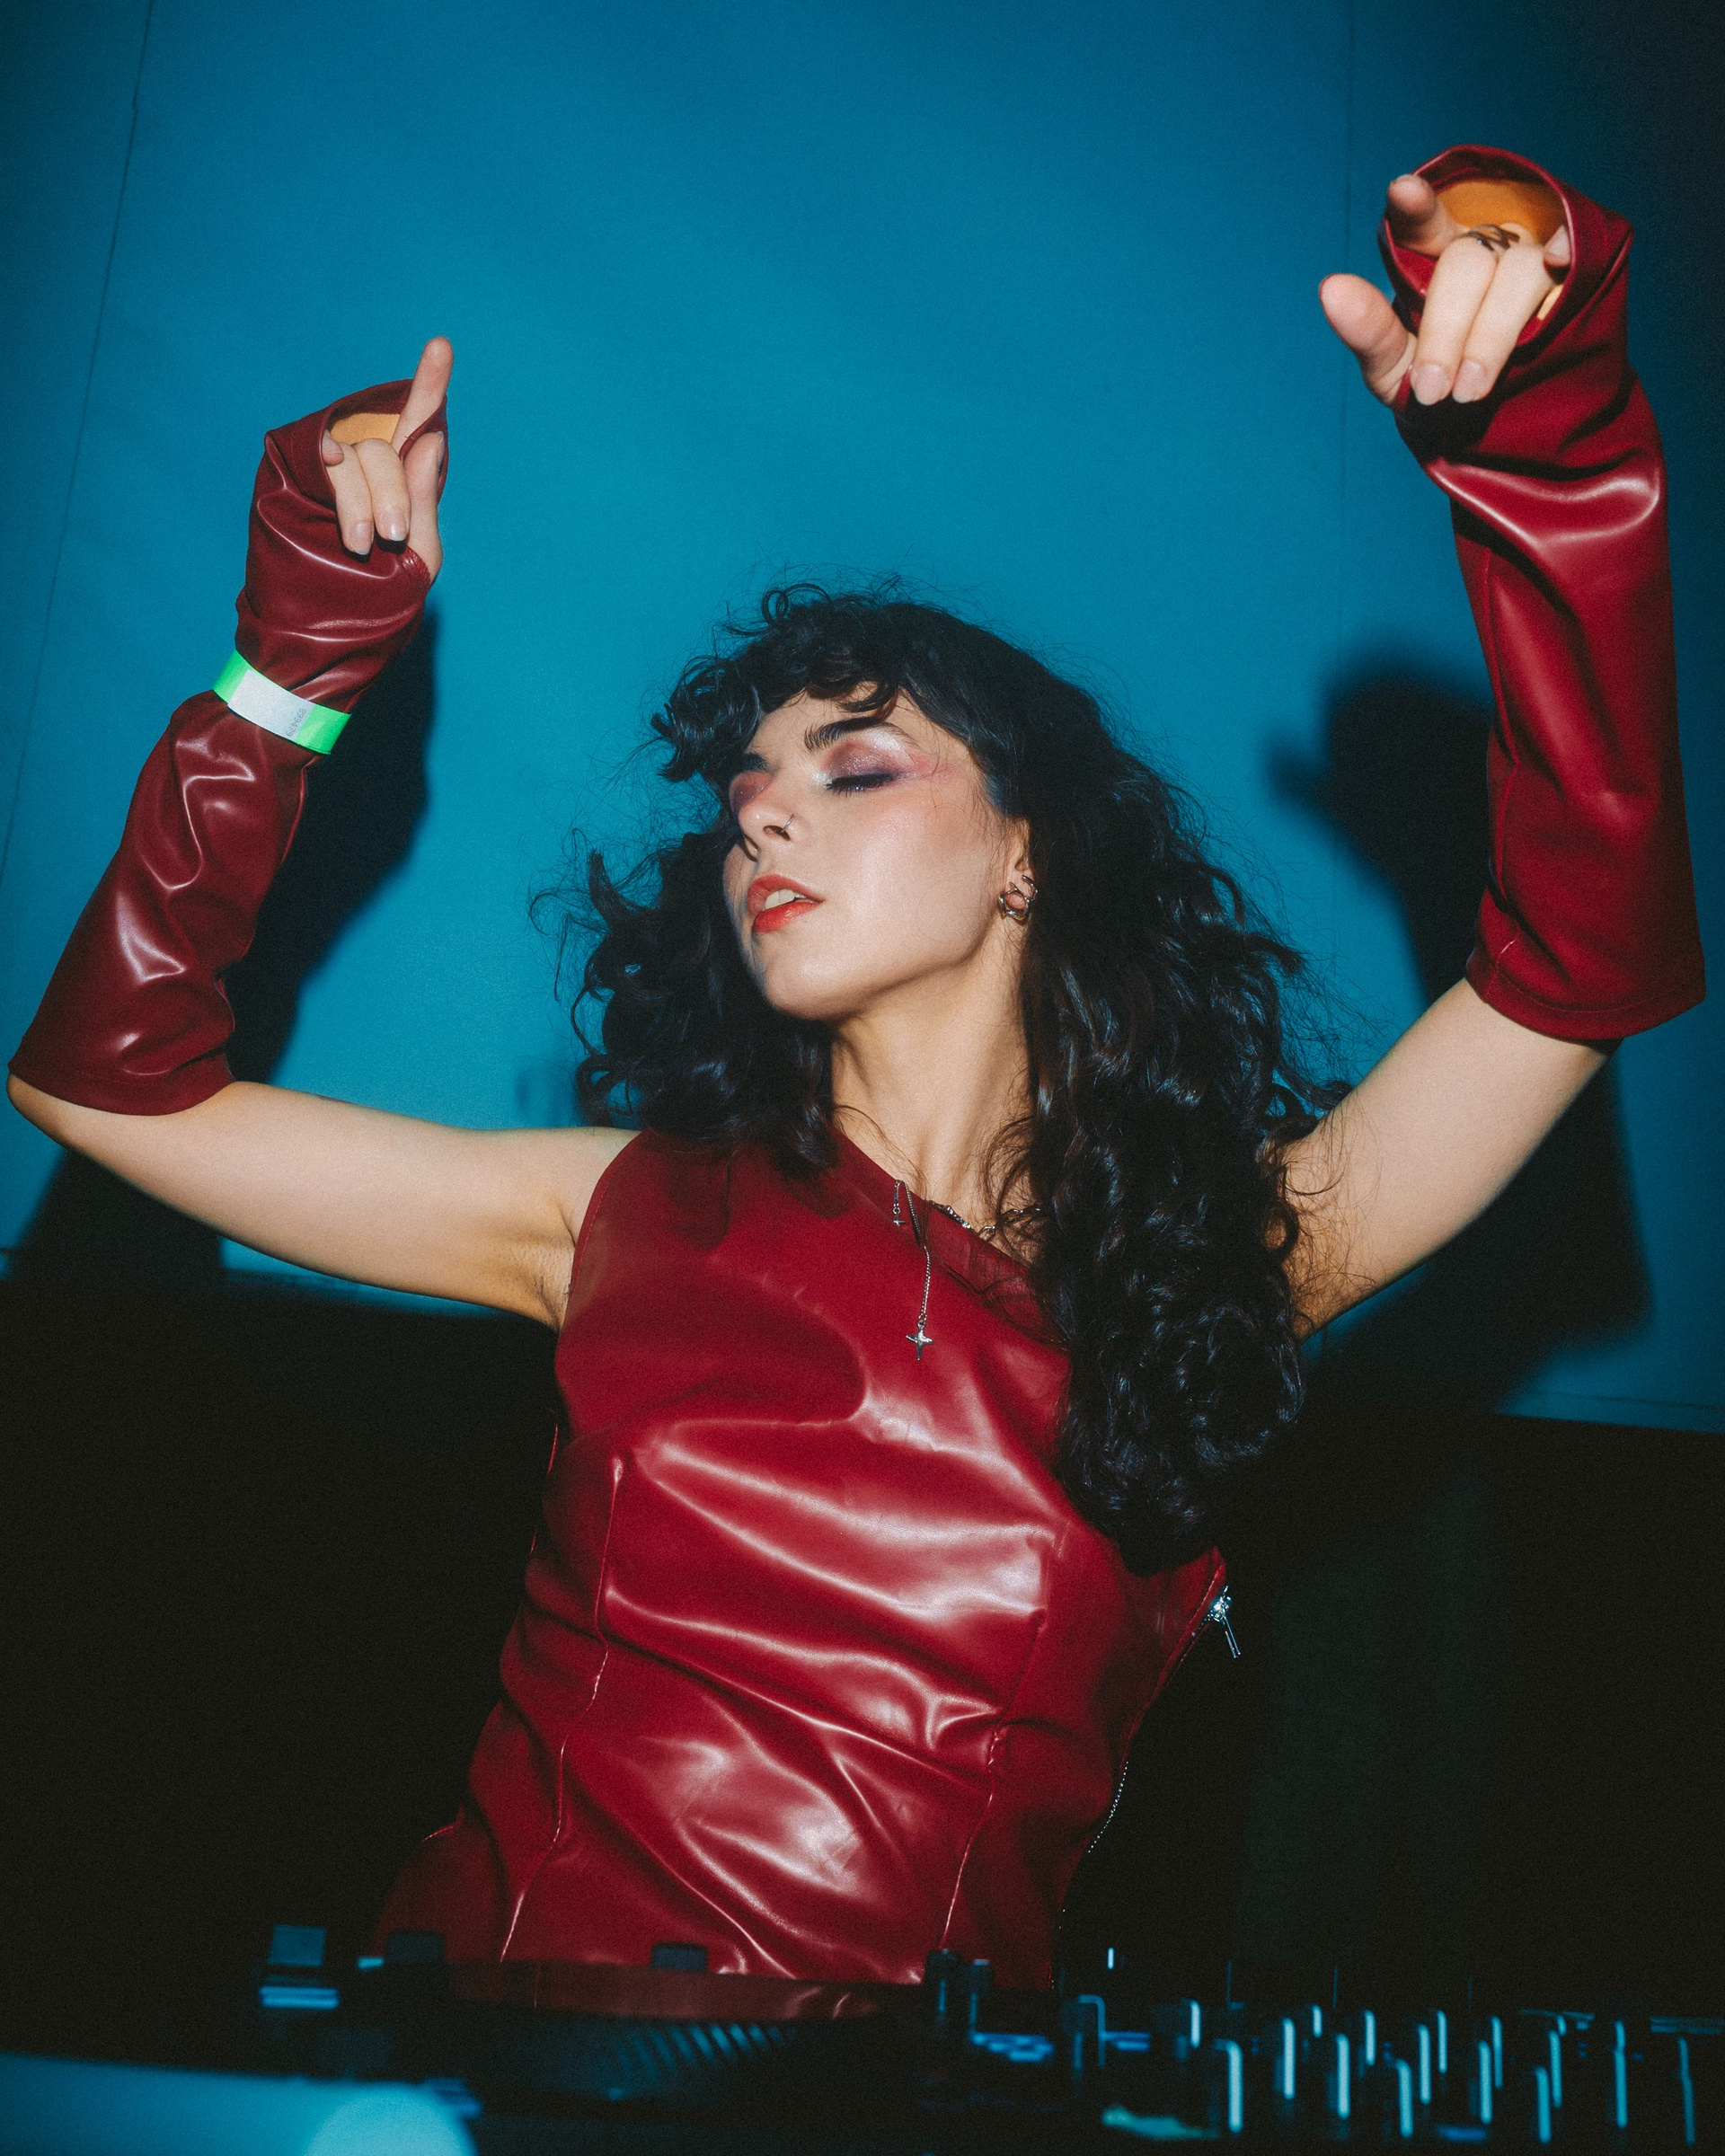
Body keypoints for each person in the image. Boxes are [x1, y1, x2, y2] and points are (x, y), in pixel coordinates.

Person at [7, 146, 1703, 1987]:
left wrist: (1548, 453)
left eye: (857, 769)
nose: (764, 818)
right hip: (484, 2071)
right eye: (747, 792)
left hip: (908, 2105)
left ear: (1027, 852)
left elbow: (1572, 972)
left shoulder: (1217, 1267)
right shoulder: (614, 1211)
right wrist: (291, 670)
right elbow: (109, 1089)